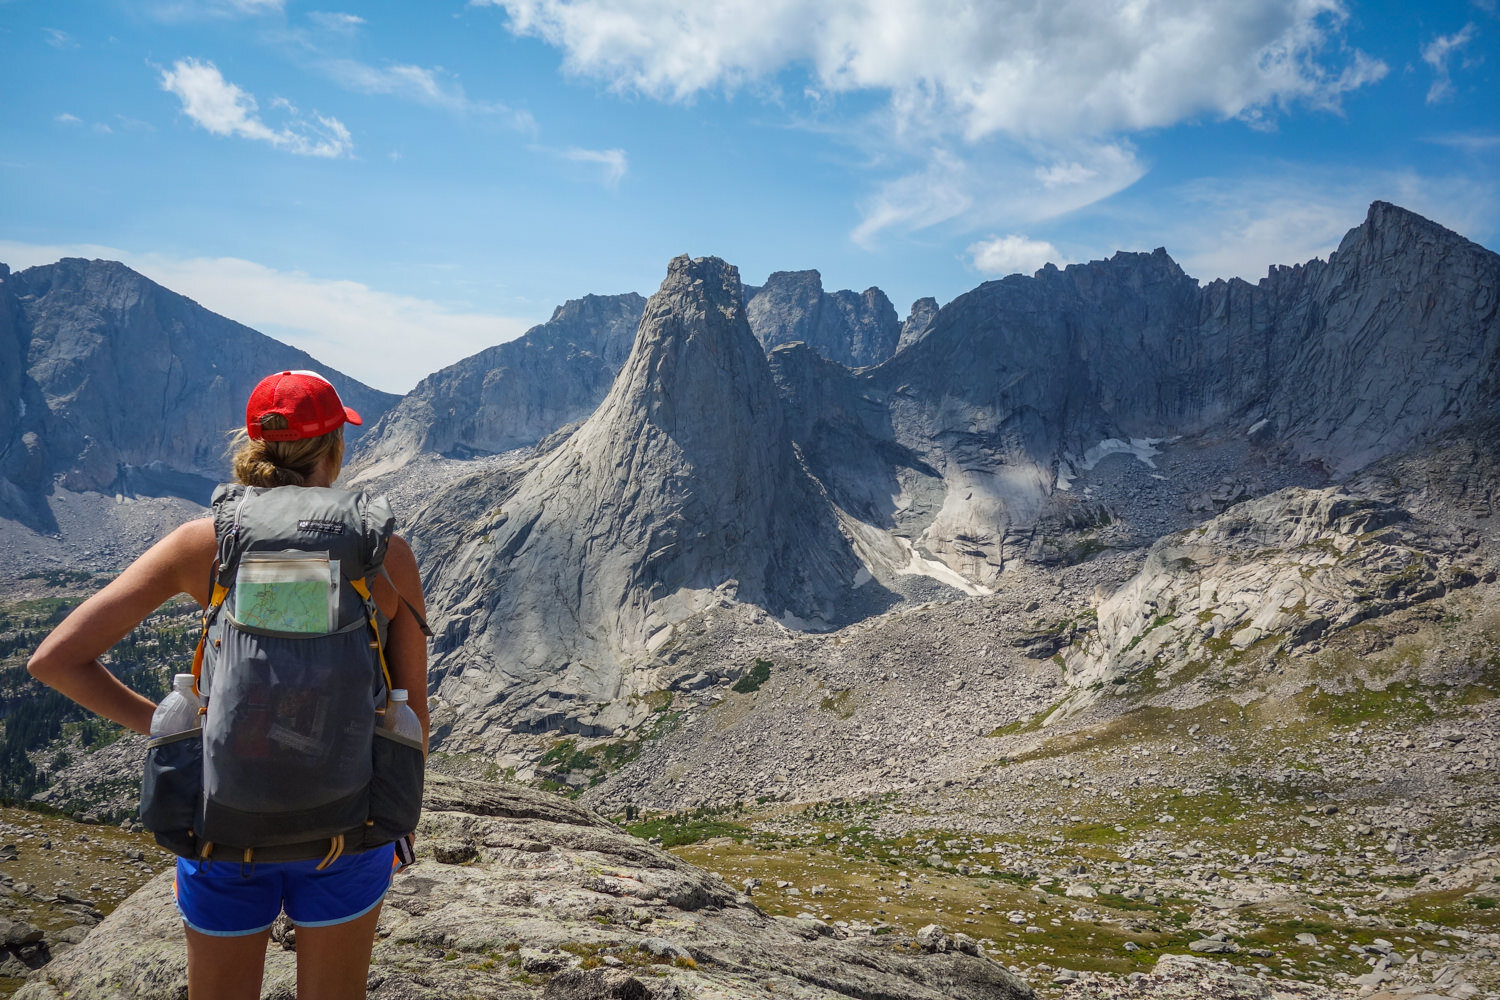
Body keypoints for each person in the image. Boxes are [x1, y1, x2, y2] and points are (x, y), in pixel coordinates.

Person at [28, 370, 429, 1000]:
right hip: (350, 828)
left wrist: (179, 731)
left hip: (225, 824)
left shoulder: (205, 542)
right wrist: (400, 813)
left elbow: (53, 660)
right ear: (334, 450)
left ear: (251, 448)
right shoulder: (385, 552)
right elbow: (410, 707)